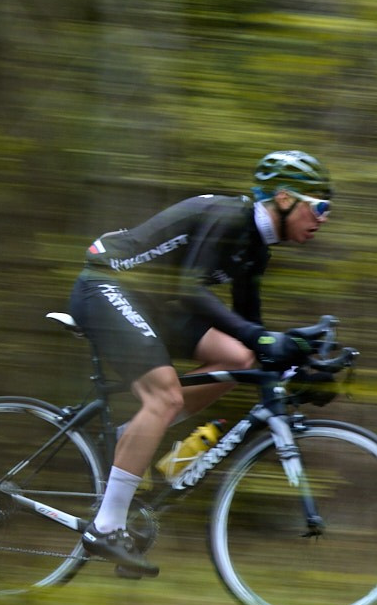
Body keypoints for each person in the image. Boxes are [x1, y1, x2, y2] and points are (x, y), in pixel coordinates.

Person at [65, 150, 335, 576]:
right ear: (285, 198)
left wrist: (298, 366)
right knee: (166, 396)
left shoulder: (256, 250)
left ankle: (132, 435)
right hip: (106, 284)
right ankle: (106, 526)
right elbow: (193, 291)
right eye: (319, 206)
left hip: (150, 301)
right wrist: (266, 339)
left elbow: (252, 334)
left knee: (240, 358)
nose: (323, 218)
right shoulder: (231, 220)